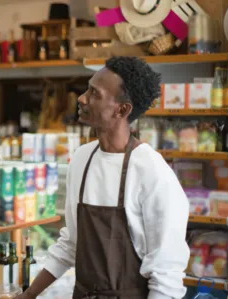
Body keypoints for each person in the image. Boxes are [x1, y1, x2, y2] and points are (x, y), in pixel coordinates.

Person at [19, 57, 190, 299]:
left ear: (122, 109)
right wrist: (28, 295)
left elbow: (166, 273)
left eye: (94, 94)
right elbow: (71, 244)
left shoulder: (152, 172)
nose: (81, 98)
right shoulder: (81, 159)